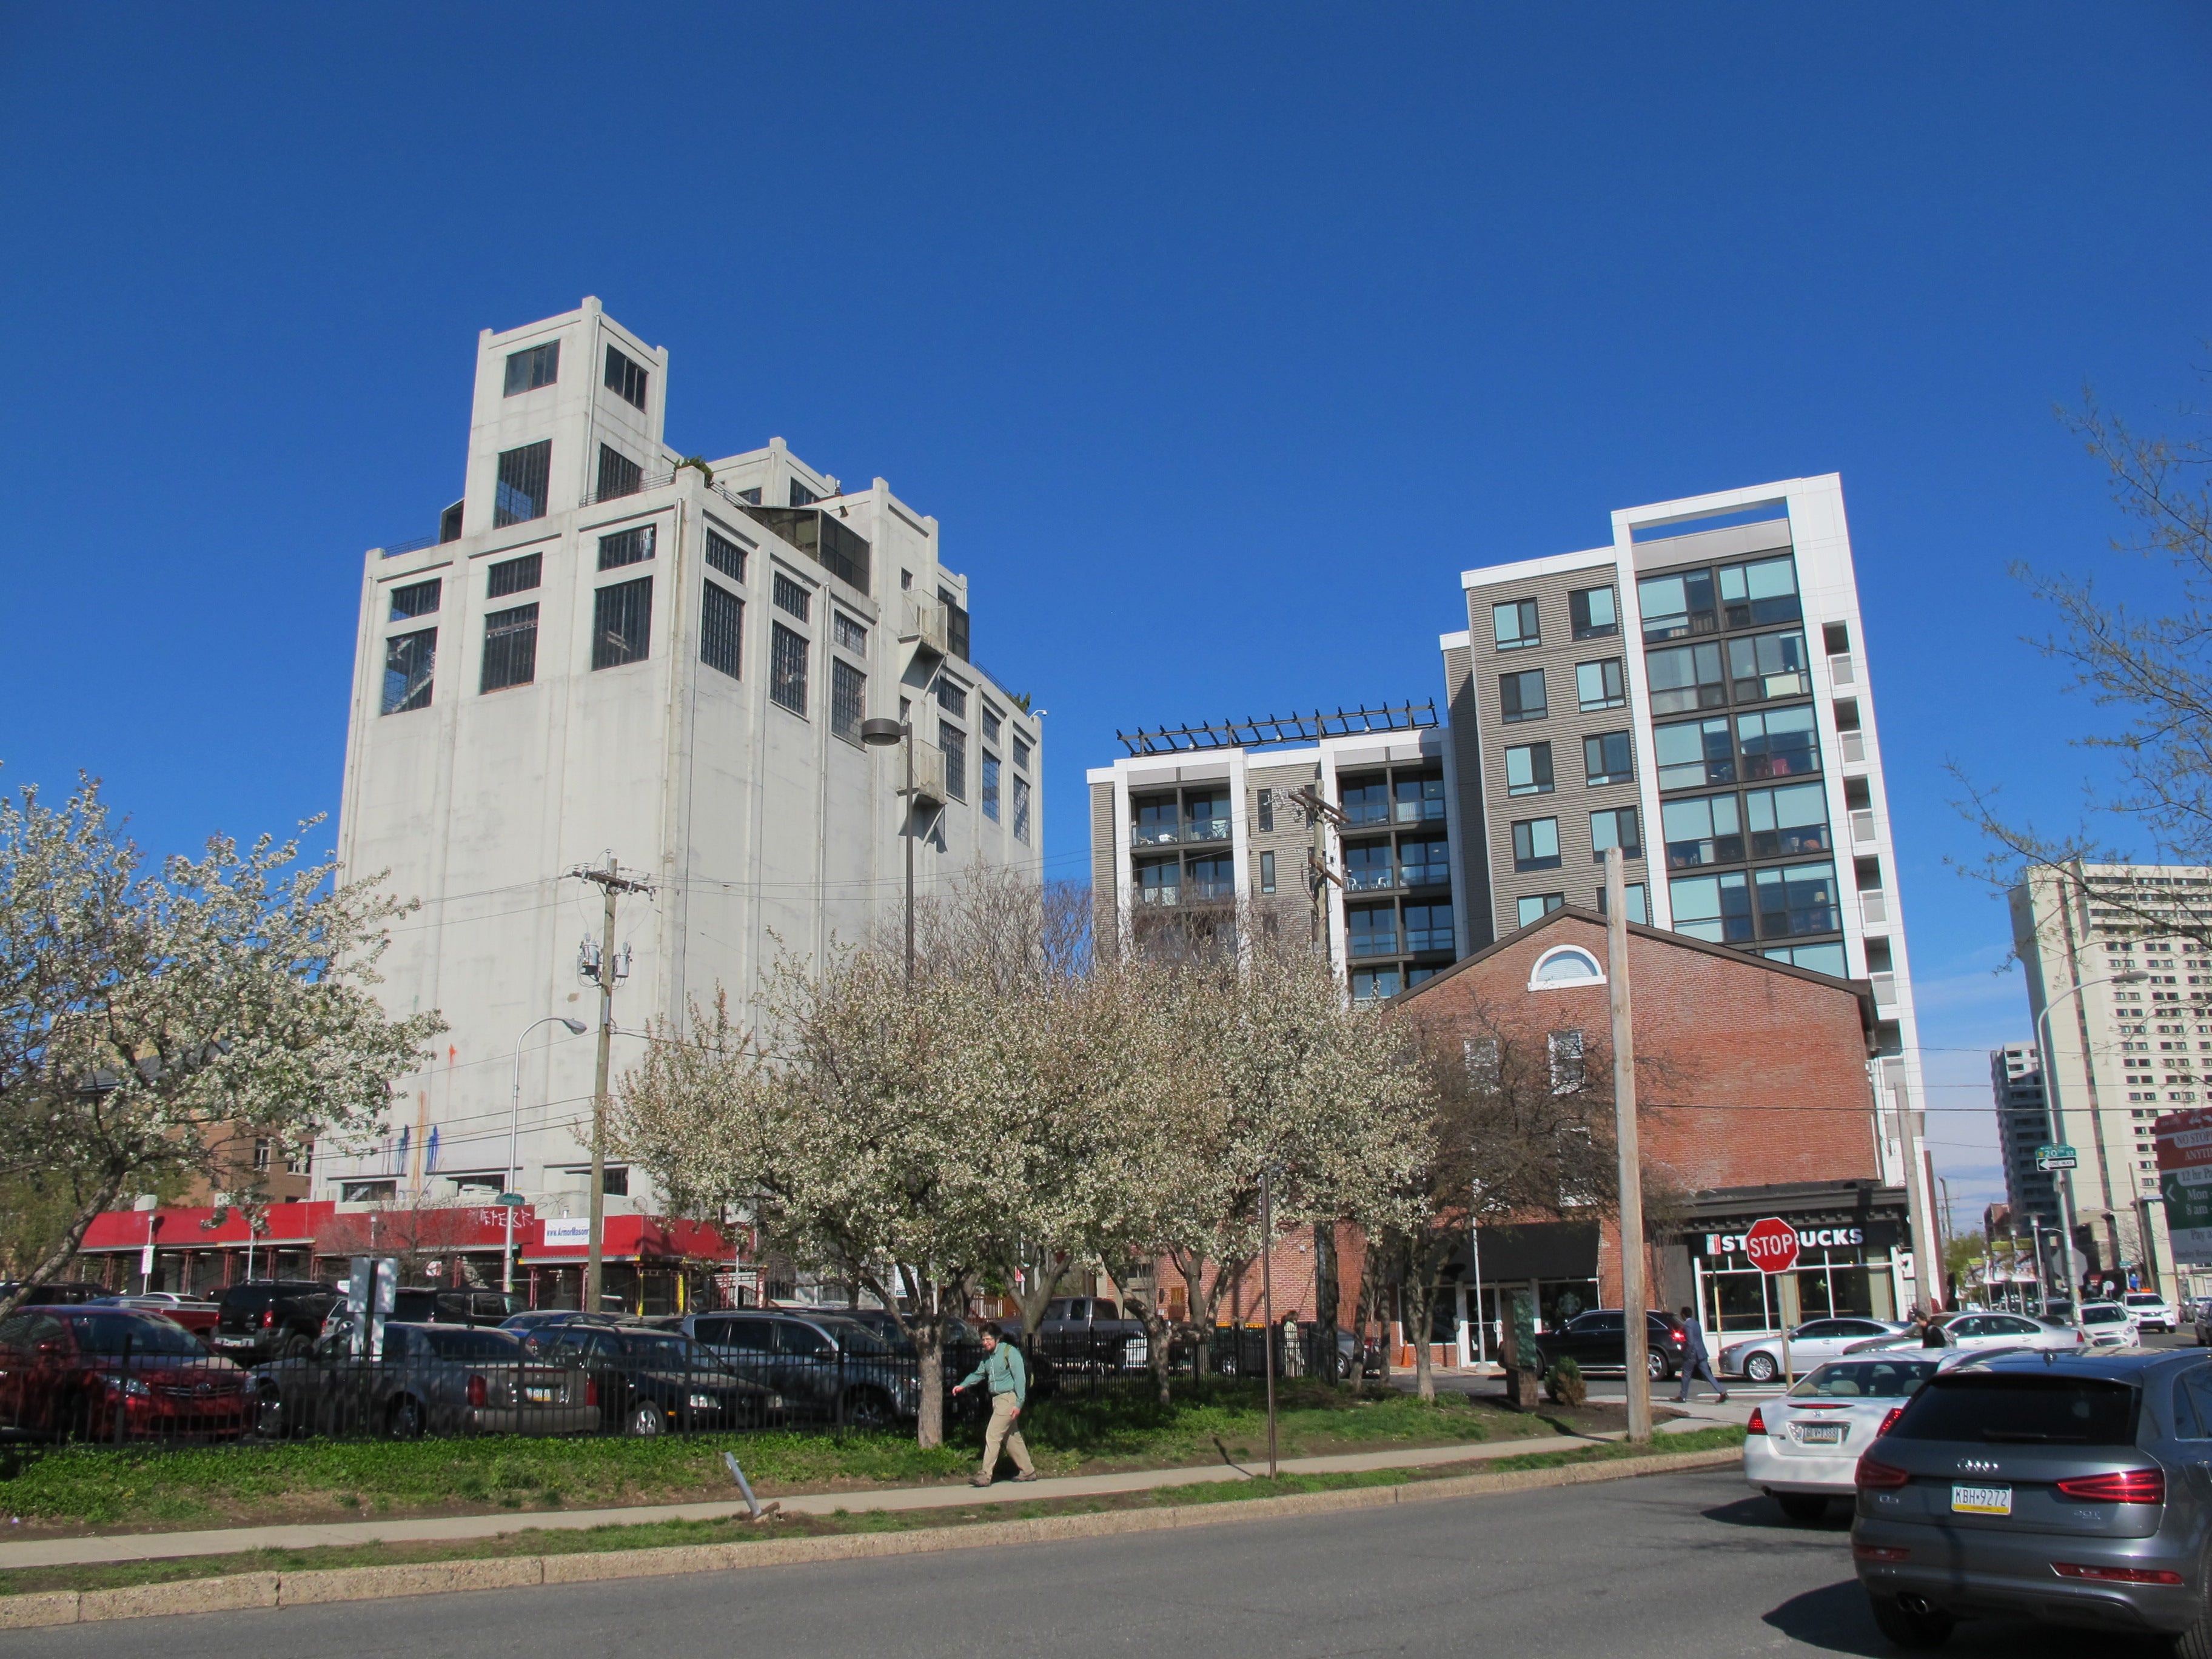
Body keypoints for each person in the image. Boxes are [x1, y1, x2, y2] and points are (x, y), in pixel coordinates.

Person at [951, 1327, 1037, 1487]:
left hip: (1009, 1398)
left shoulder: (1009, 1352)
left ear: (997, 1339)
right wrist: (963, 1385)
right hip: (997, 1400)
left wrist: (1019, 1403)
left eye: (988, 1339)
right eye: (983, 1340)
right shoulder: (987, 1357)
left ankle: (985, 1474)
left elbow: (1020, 1379)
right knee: (1011, 1437)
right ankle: (1028, 1471)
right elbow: (978, 1374)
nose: (985, 1343)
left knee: (992, 1434)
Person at [1674, 1305, 1728, 1404]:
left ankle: (1683, 1397)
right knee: (1707, 1374)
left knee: (1686, 1375)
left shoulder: (1688, 1325)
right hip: (1702, 1352)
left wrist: (1686, 1353)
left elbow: (1690, 1342)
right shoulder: (1696, 1323)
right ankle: (1722, 1392)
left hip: (1692, 1354)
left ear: (1683, 1315)